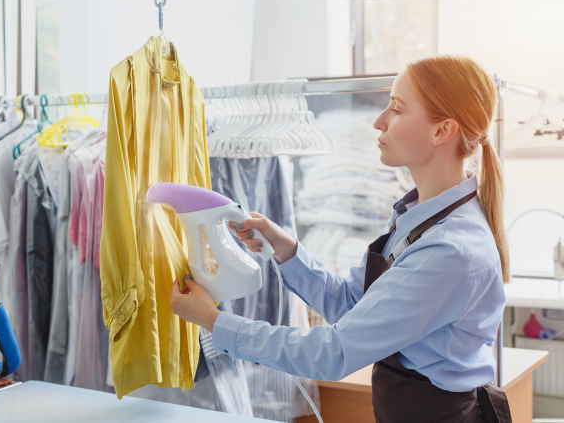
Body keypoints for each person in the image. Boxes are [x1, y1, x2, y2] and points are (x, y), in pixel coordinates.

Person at [170, 54, 512, 422]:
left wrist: (212, 321)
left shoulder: (449, 250)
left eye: (395, 110)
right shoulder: (415, 217)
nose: (379, 122)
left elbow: (332, 352)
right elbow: (354, 303)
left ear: (442, 131)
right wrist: (287, 252)